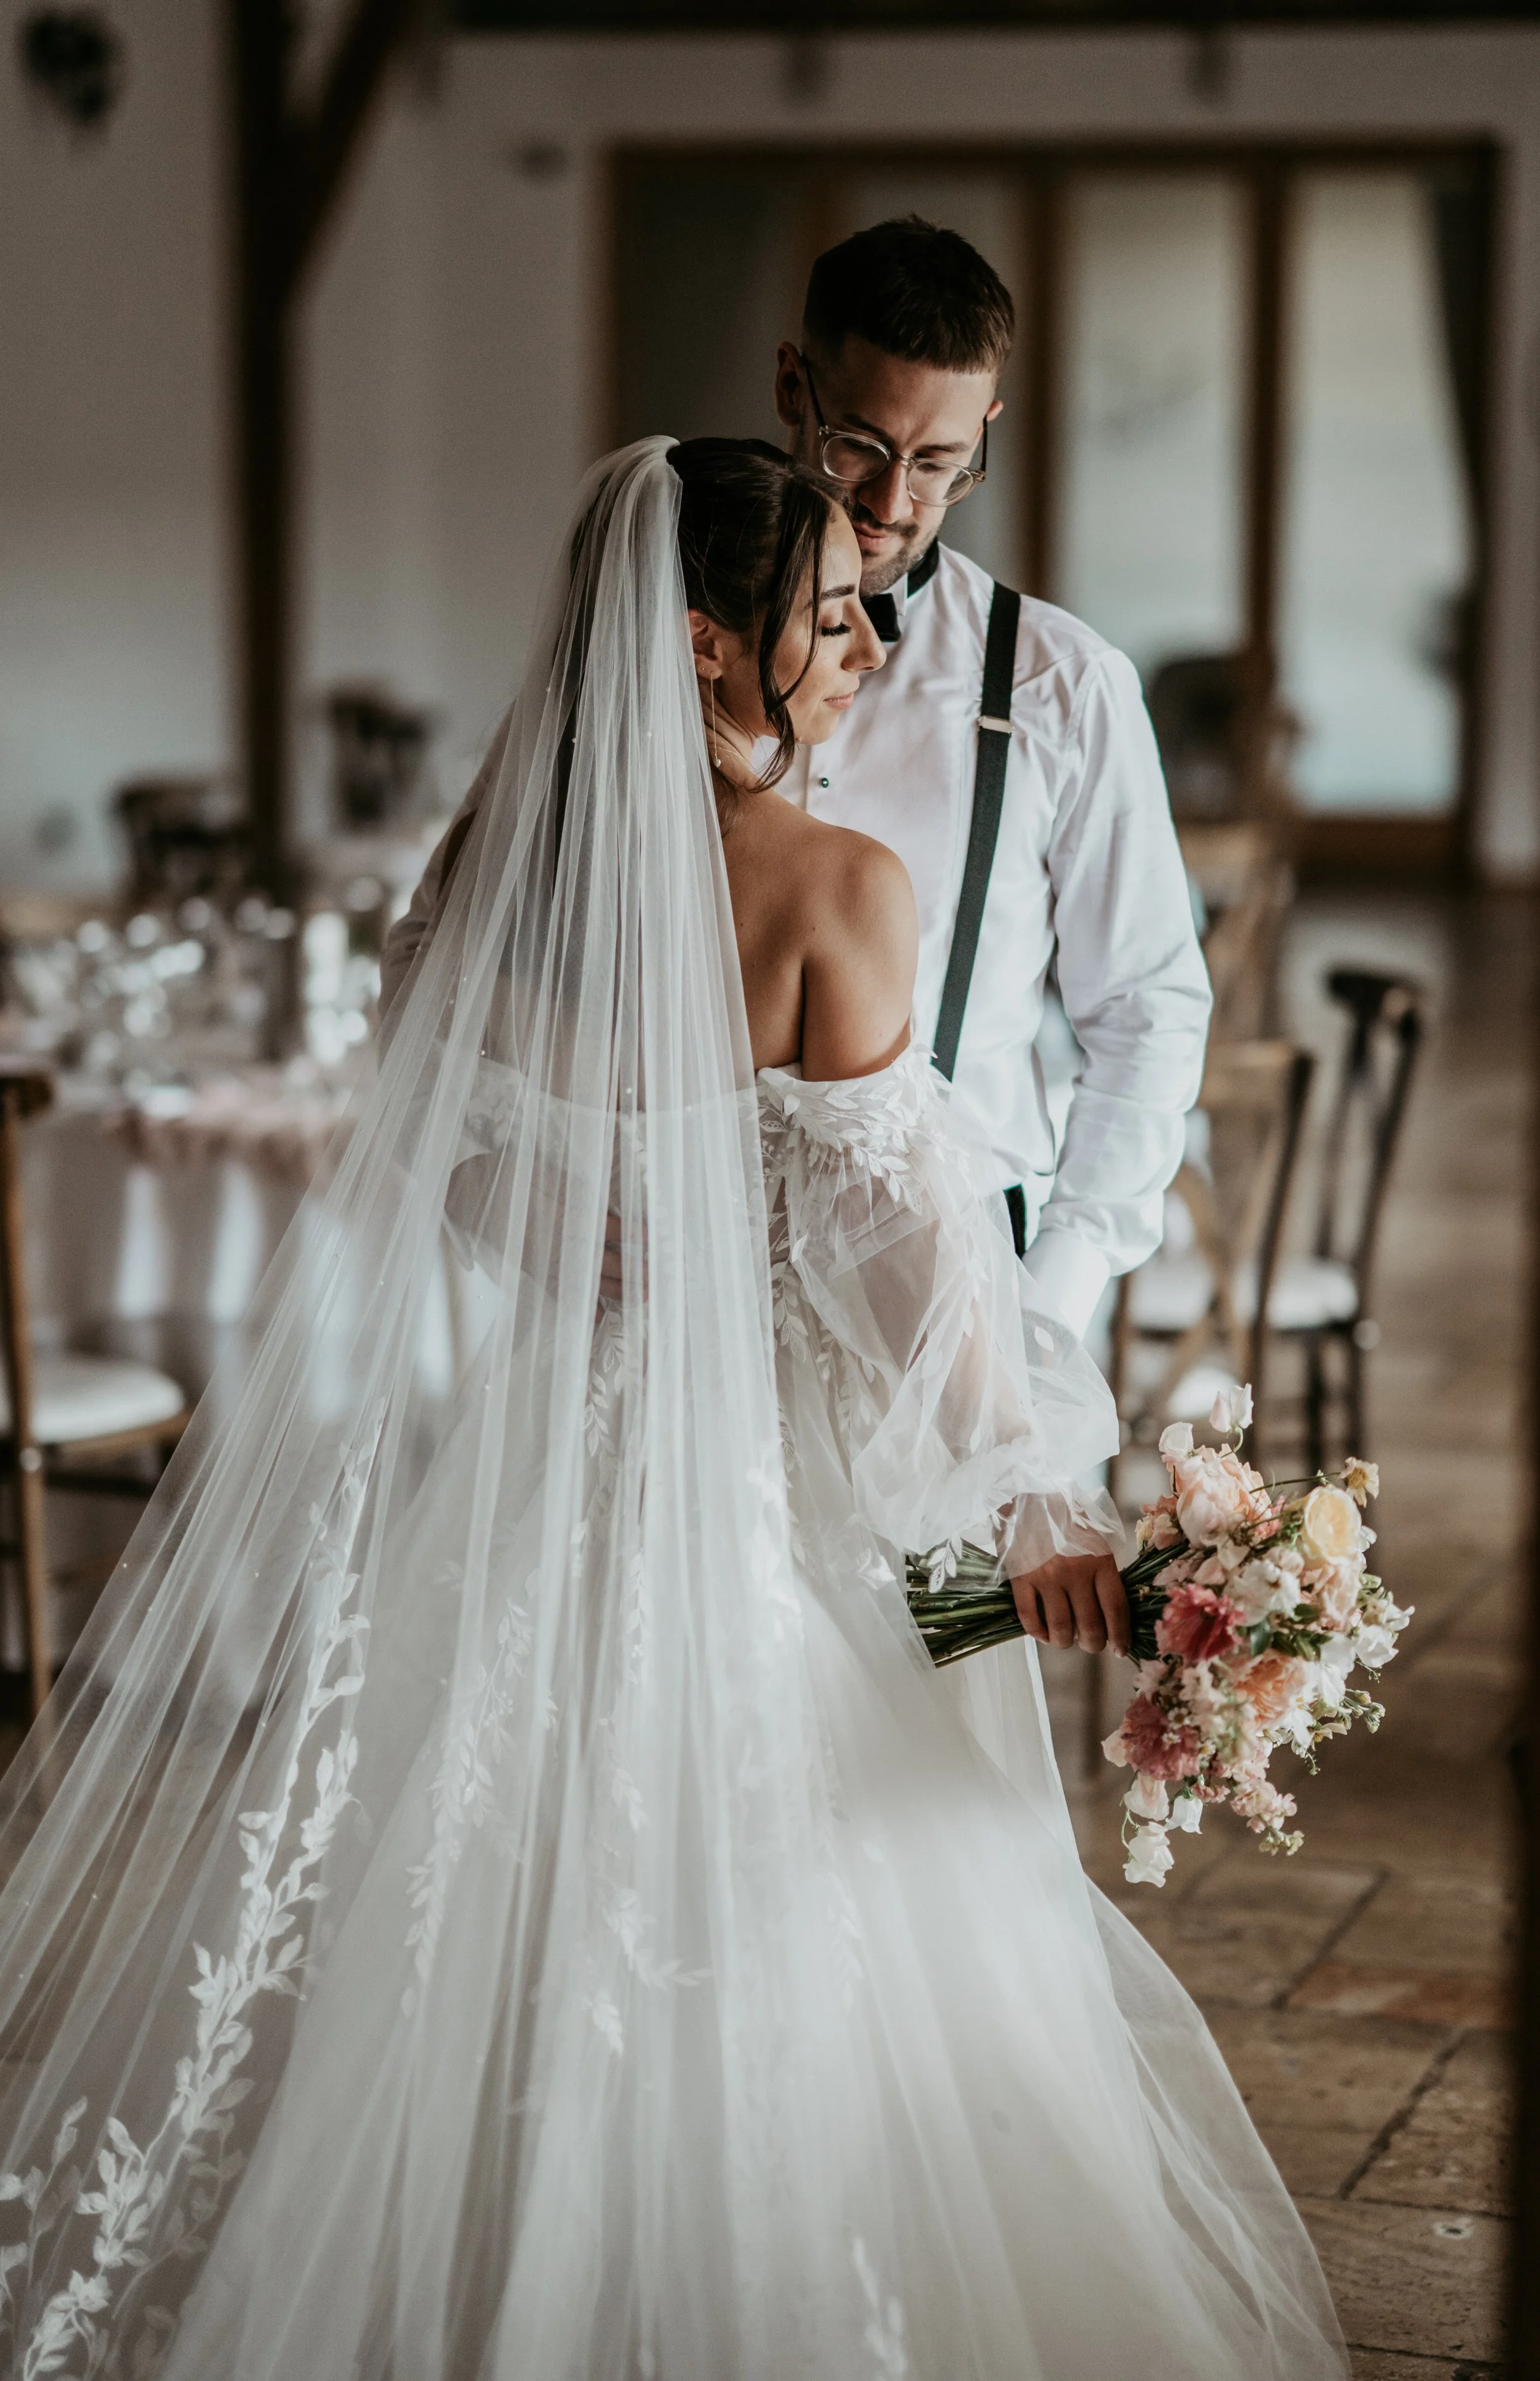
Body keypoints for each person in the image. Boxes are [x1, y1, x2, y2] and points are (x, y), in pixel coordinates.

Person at [0, 441, 1342, 2380]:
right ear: (703, 647)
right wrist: (1056, 1502)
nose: (864, 643)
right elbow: (923, 1318)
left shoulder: (488, 877)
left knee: (474, 1930)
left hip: (552, 1482)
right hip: (783, 1509)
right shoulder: (835, 892)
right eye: (827, 615)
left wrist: (626, 1257)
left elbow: (444, 1161)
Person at [384, 218, 1212, 1667]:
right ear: (790, 386)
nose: (894, 503)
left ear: (984, 436)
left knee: (885, 1761)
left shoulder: (1064, 687)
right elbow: (427, 998)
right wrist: (522, 1202)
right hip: (662, 1355)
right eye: (858, 448)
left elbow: (1147, 1010)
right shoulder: (617, 690)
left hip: (962, 1320)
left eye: (940, 462)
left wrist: (1045, 1305)